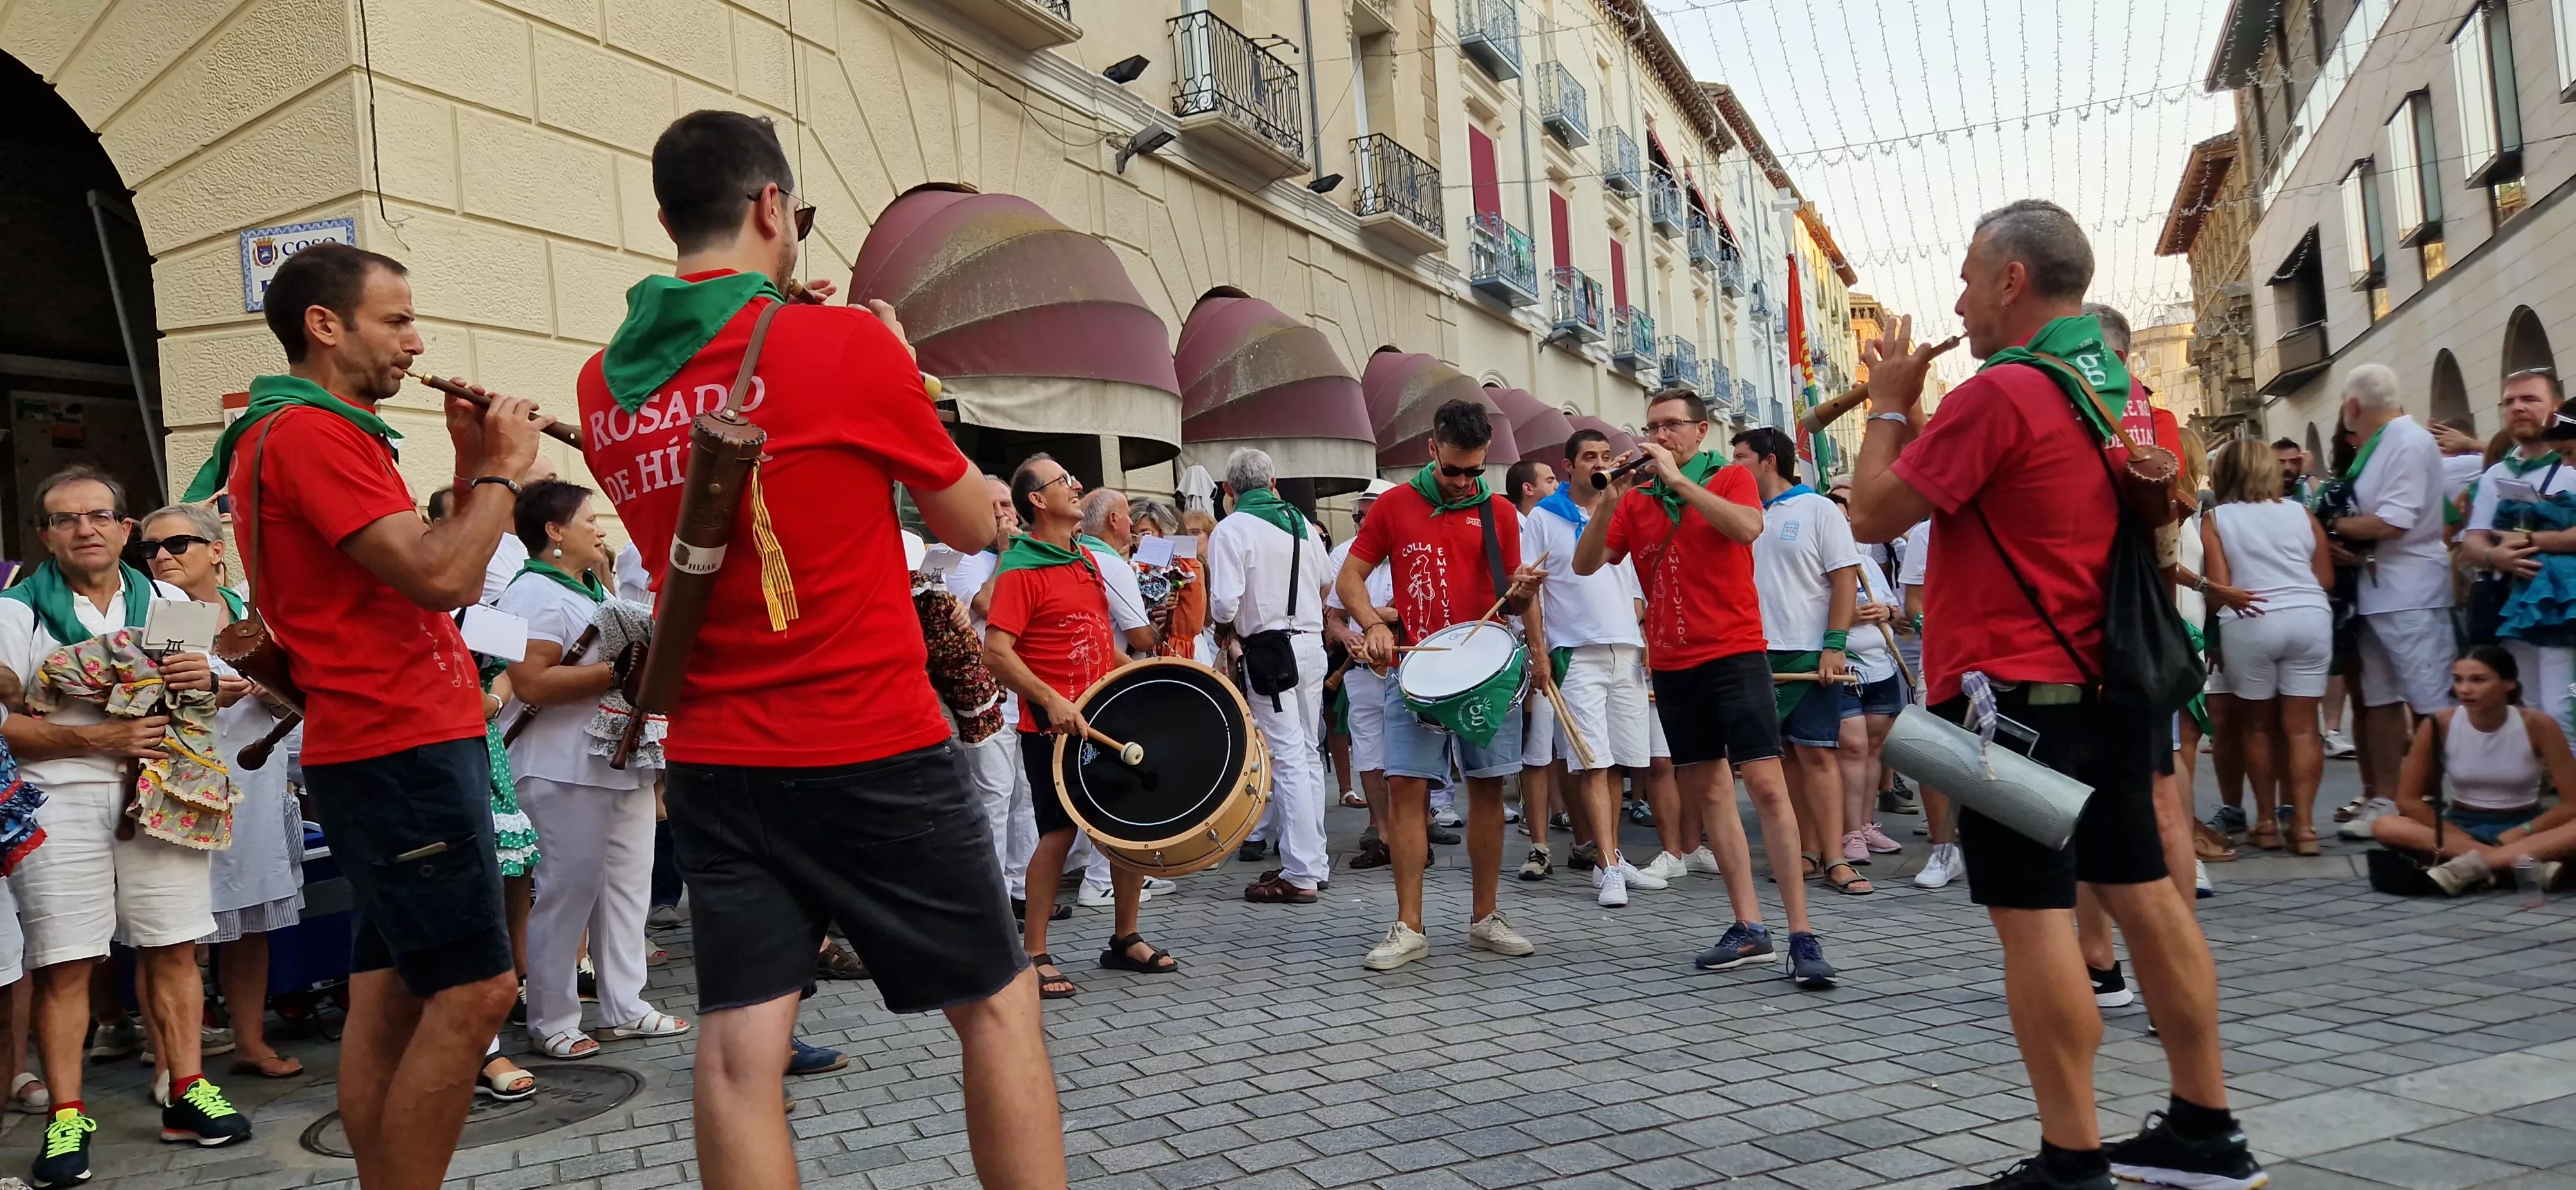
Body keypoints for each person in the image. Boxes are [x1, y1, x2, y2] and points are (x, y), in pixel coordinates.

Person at [574, 111, 1059, 1189]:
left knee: (744, 1041)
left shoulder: (601, 387)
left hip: (713, 751)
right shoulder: (842, 346)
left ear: (666, 220)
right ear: (770, 209)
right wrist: (904, 370)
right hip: (865, 736)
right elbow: (978, 525)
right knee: (995, 999)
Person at [1845, 200, 2260, 1190]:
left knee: (2033, 920)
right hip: (2110, 685)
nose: (1958, 299)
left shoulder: (2004, 394)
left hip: (2006, 701)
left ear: (2011, 282)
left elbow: (1870, 512)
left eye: (1966, 274)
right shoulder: (2117, 385)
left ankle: (2071, 1158)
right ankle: (2207, 1132)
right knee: (2148, 898)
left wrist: (1890, 405)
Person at [179, 241, 536, 1189]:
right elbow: (446, 576)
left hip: (389, 744)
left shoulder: (303, 431)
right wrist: (504, 472)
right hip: (399, 747)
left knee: (390, 997)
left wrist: (466, 464)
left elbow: (419, 569)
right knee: (477, 991)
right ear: (325, 325)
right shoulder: (312, 434)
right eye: (397, 319)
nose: (416, 343)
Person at [0, 463, 236, 1187]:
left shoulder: (167, 599)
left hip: (162, 790)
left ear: (125, 529)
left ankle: (188, 1091)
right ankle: (67, 1115)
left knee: (175, 947)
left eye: (99, 516)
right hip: (61, 794)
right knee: (66, 962)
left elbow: (210, 695)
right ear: (45, 535)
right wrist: (93, 740)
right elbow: (8, 725)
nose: (85, 529)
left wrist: (209, 682)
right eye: (67, 519)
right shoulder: (16, 612)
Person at [1575, 390, 1838, 989]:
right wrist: (1604, 504)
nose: (1659, 436)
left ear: (1700, 431)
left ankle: (1802, 931)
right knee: (1711, 790)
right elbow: (1588, 565)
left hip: (1736, 651)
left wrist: (1678, 482)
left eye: (1671, 427)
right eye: (1651, 427)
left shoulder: (1729, 478)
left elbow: (1748, 528)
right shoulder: (1635, 498)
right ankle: (1749, 926)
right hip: (1672, 661)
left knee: (1767, 786)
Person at [1337, 399, 1545, 970]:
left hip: (1486, 674)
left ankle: (1485, 917)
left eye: (1475, 471)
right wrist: (1376, 624)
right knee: (1406, 790)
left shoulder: (1500, 512)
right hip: (1417, 669)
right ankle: (1408, 925)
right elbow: (1348, 578)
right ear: (1432, 449)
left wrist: (1530, 607)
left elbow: (1517, 598)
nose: (1462, 482)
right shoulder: (1397, 506)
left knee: (1487, 789)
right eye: (1453, 470)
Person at [494, 481, 685, 1060]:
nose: (600, 529)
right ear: (554, 531)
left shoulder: (587, 586)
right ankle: (552, 1017)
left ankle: (626, 1005)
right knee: (567, 890)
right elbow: (530, 683)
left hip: (619, 759)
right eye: (589, 519)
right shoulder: (531, 593)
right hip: (561, 765)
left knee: (628, 884)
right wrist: (618, 674)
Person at [986, 455, 1182, 995]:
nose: (1076, 486)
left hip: (1105, 715)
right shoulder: (1020, 568)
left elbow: (1098, 646)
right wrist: (1051, 700)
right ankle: (1034, 953)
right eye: (1062, 482)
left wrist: (1154, 675)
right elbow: (996, 653)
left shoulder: (1086, 561)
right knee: (1059, 832)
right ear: (1037, 501)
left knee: (1123, 827)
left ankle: (1124, 938)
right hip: (1052, 731)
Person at [138, 504, 306, 1084]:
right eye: (151, 547)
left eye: (178, 543)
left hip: (255, 778)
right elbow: (156, 694)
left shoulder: (249, 610)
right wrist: (218, 689)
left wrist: (273, 686)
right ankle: (170, 1063)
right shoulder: (170, 612)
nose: (162, 555)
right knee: (174, 929)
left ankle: (250, 1041)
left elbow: (300, 693)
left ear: (216, 550)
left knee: (252, 917)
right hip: (189, 785)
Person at [1521, 430, 1668, 902]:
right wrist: (1540, 653)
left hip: (1625, 647)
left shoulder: (1625, 507)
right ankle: (1605, 864)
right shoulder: (1543, 517)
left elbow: (1636, 580)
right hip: (1575, 650)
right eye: (1589, 457)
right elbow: (1531, 593)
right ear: (1569, 466)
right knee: (1592, 762)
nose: (1599, 464)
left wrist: (1643, 631)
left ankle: (1615, 858)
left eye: (1606, 457)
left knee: (1621, 763)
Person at [1735, 427, 1880, 895]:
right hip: (1757, 651)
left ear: (1768, 461)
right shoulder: (1742, 513)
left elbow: (1843, 580)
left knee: (1819, 753)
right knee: (1785, 758)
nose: (1732, 465)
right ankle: (1803, 849)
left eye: (1740, 457)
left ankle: (1836, 857)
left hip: (1811, 651)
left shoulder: (1818, 509)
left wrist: (1835, 643)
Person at [2331, 364, 2456, 820]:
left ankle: (2435, 799)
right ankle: (2387, 798)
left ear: (2353, 405)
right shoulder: (2382, 443)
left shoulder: (2405, 441)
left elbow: (2393, 521)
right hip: (2379, 589)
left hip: (2412, 592)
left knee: (2429, 699)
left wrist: (2327, 525)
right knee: (2381, 698)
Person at [1209, 449, 1334, 903]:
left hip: (1269, 650)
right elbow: (1325, 580)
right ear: (1273, 481)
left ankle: (1301, 870)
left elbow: (1224, 604)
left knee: (1287, 759)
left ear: (1229, 490)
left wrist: (1231, 624)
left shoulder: (1233, 528)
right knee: (1305, 751)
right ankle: (1313, 861)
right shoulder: (1301, 522)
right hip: (1309, 643)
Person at [2202, 439, 2335, 858]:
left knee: (2255, 727)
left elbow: (2222, 588)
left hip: (2252, 619)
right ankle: (2305, 825)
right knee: (2302, 728)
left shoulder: (2216, 519)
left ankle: (2264, 823)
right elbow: (2326, 578)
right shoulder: (2302, 512)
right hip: (2310, 616)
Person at [2374, 647, 2576, 894]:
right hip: (2460, 826)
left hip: (2524, 825)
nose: (2465, 689)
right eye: (2458, 680)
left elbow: (2571, 803)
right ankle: (2519, 865)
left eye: (2478, 680)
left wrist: (2523, 831)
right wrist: (2458, 836)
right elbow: (2408, 800)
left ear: (2509, 684)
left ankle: (2472, 866)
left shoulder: (2539, 725)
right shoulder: (2439, 723)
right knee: (2386, 825)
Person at [2463, 372, 2576, 741]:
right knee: (2527, 701)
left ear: (2556, 408)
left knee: (2563, 704)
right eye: (2509, 402)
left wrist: (2531, 541)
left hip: (2564, 602)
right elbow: (2473, 542)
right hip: (2512, 603)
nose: (2518, 408)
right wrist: (2498, 557)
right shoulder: (2497, 473)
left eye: (2529, 399)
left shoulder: (2572, 463)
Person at [1323, 481, 1399, 869]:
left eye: (1369, 515)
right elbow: (1332, 613)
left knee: (1407, 753)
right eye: (1358, 516)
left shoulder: (1407, 548)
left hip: (1405, 667)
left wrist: (1382, 616)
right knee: (1368, 751)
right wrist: (1349, 634)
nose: (1361, 522)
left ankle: (1413, 833)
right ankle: (1384, 836)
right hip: (1361, 668)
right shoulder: (1344, 554)